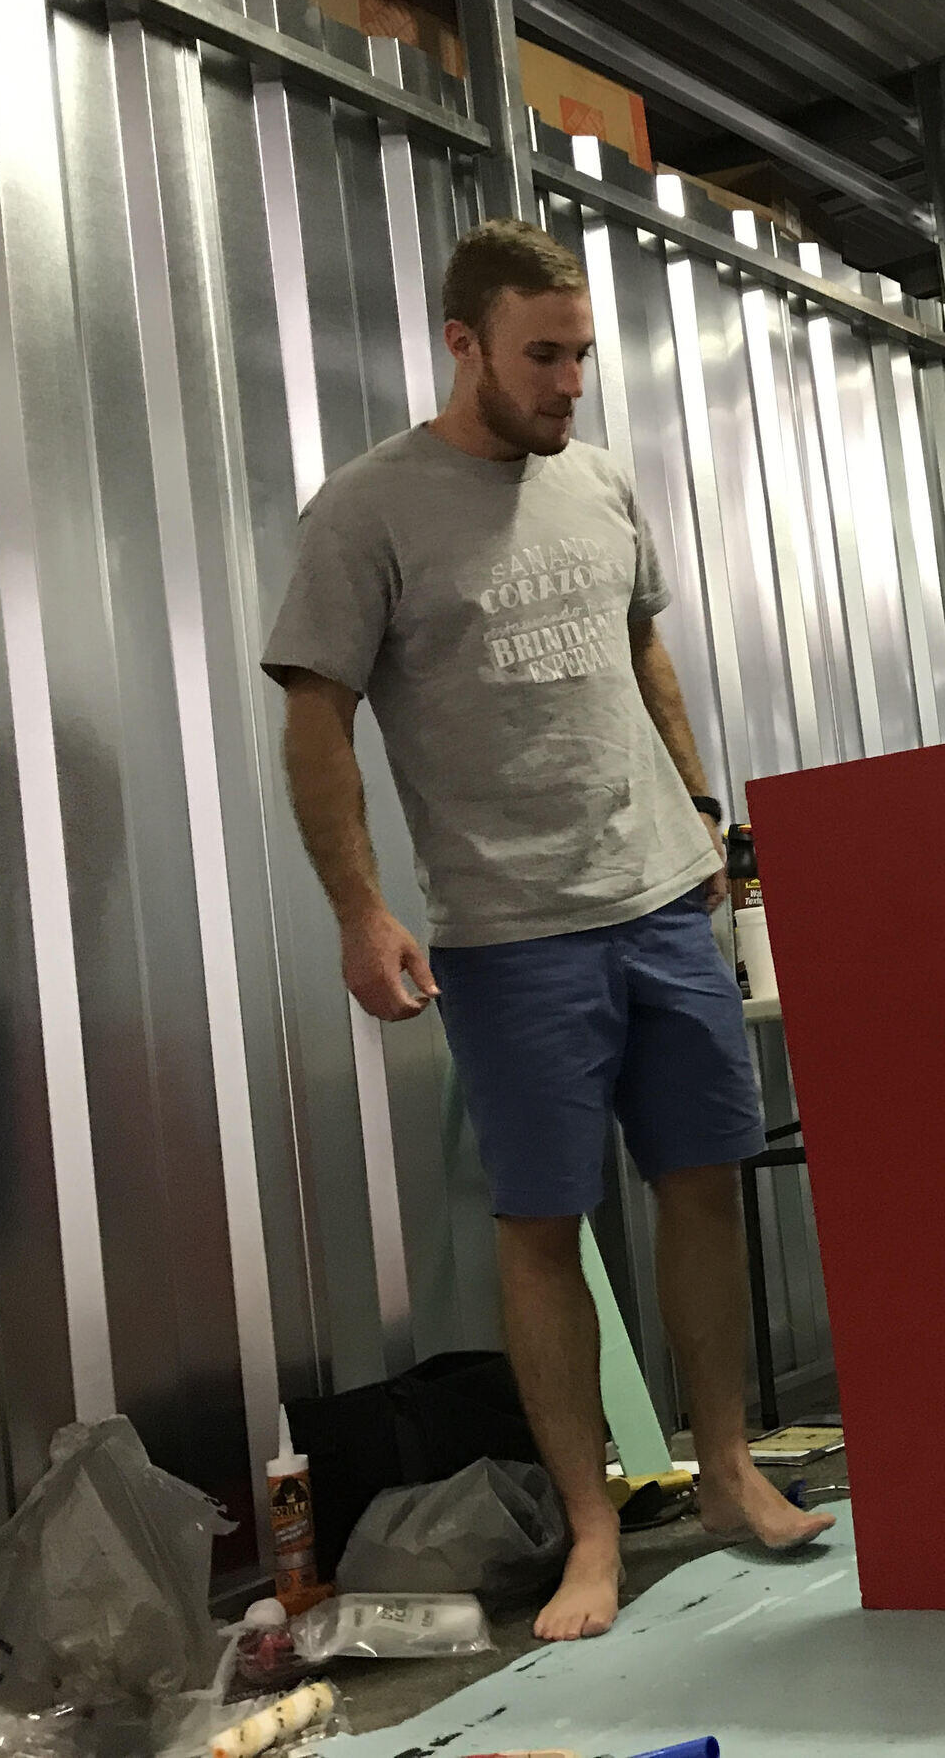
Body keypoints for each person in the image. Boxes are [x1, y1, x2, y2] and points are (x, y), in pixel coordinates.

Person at [261, 219, 833, 1642]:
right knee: (543, 1225)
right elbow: (315, 719)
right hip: (508, 933)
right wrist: (360, 909)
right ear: (463, 343)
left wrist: (701, 811)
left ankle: (726, 1472)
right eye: (543, 355)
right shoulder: (365, 511)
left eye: (581, 352)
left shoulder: (599, 482)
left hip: (659, 900)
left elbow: (644, 643)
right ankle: (592, 1529)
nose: (570, 381)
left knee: (703, 1182)